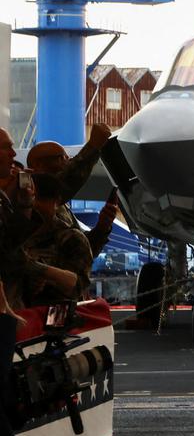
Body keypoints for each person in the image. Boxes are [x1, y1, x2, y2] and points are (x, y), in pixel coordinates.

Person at [26, 123, 116, 257]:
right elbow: (62, 184)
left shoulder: (61, 207)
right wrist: (93, 146)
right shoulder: (30, 200)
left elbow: (83, 251)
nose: (69, 162)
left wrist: (102, 227)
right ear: (38, 165)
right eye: (62, 158)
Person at [22, 173, 92, 306]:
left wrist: (45, 276)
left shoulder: (71, 238)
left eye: (42, 199)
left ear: (56, 202)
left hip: (53, 317)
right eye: (30, 199)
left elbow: (78, 287)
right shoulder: (12, 236)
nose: (35, 205)